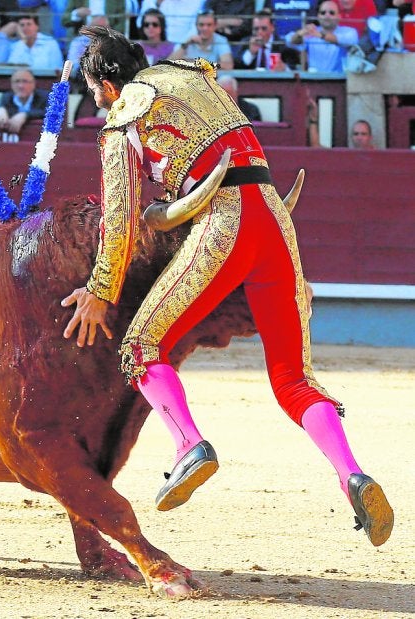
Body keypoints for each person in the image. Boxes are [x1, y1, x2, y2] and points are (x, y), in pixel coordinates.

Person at [61, 26, 394, 548]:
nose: (98, 101)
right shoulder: (196, 76)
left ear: (106, 84)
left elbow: (120, 220)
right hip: (275, 220)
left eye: (94, 89)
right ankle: (351, 472)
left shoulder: (124, 115)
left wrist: (101, 290)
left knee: (140, 346)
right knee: (293, 378)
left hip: (223, 220)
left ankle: (188, 444)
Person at [286, 0, 358, 72]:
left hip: (339, 80)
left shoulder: (349, 31)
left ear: (339, 16)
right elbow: (289, 40)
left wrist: (321, 35)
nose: (327, 15)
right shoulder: (312, 31)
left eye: (331, 13)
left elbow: (348, 40)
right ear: (318, 16)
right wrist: (300, 33)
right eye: (323, 13)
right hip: (315, 79)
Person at [169, 10, 234, 69]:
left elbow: (228, 65)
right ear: (196, 25)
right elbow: (169, 63)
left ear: (215, 26)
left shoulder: (221, 40)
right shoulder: (188, 38)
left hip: (212, 78)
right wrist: (186, 44)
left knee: (227, 80)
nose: (205, 28)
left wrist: (199, 64)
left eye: (209, 25)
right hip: (190, 78)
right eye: (201, 25)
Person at [0, 68, 48, 133]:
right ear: (11, 84)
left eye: (25, 81)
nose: (21, 86)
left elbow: (48, 113)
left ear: (33, 84)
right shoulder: (7, 97)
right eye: (17, 81)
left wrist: (25, 115)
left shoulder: (45, 97)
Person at [137, 0, 205, 43]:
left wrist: (179, 48)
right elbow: (140, 23)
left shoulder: (198, 2)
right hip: (158, 46)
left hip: (184, 49)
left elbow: (195, 29)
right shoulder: (152, 2)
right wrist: (158, 4)